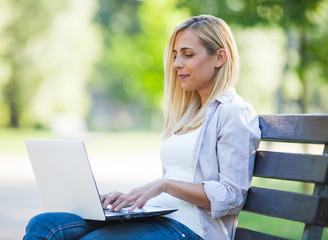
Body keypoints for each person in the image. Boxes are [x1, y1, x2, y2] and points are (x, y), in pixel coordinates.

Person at [24, 14, 261, 240]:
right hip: (157, 214)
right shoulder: (189, 114)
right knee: (43, 225)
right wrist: (131, 199)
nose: (177, 63)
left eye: (188, 55)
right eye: (176, 55)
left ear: (219, 58)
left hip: (192, 229)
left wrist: (163, 185)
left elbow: (232, 196)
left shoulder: (234, 112)